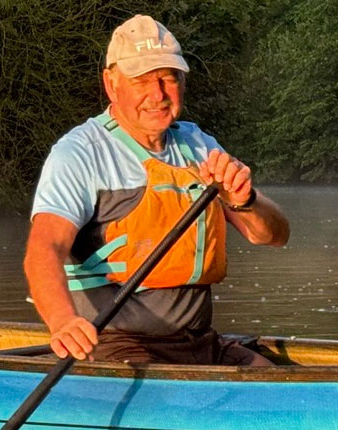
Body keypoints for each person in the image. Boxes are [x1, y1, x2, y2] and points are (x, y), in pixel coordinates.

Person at [25, 15, 289, 365]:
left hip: (199, 343)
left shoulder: (198, 144)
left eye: (168, 78)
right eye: (142, 81)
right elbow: (44, 249)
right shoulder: (79, 153)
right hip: (116, 346)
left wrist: (246, 200)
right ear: (111, 83)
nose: (158, 94)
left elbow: (275, 236)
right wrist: (62, 321)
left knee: (274, 386)